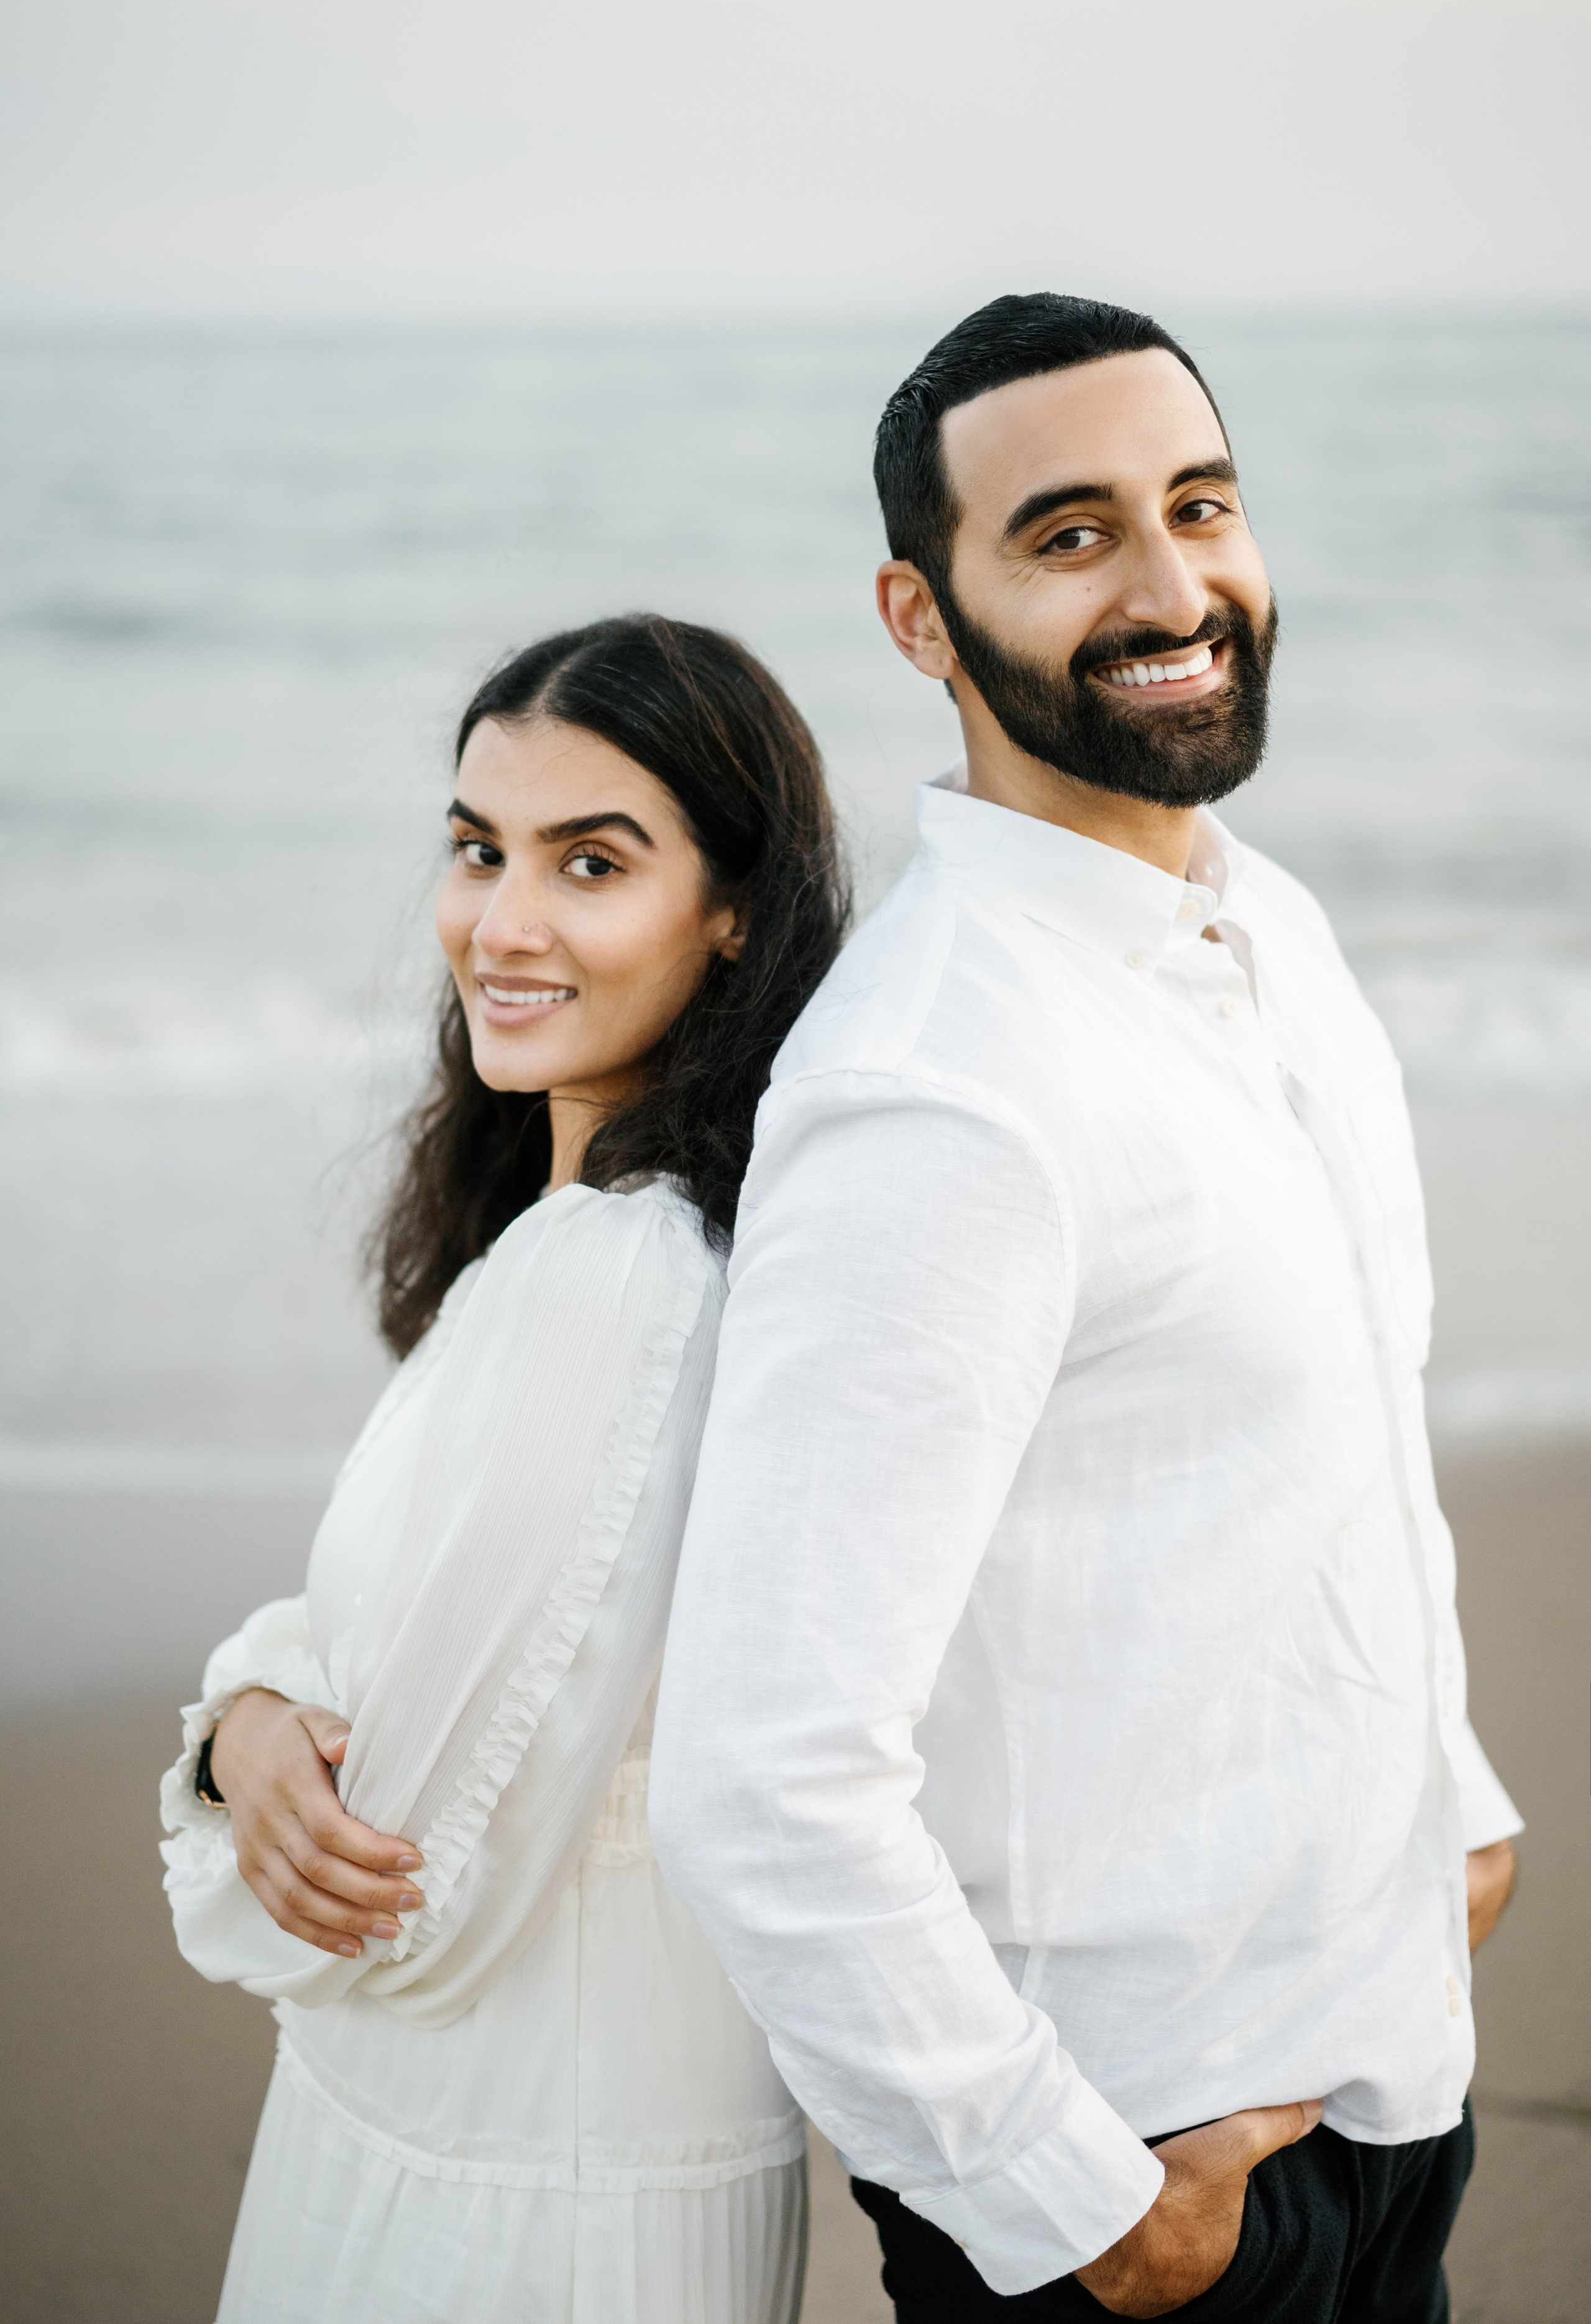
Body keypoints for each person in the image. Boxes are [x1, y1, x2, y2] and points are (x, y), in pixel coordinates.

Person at [649, 296, 1521, 2322]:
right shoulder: (941, 1086)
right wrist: (1077, 2201)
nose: (1170, 584)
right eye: (1067, 535)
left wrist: (1450, 1812)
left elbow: (1331, 1447)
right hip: (1149, 2173)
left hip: (1378, 2085)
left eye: (1199, 505)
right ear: (920, 614)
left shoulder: (1266, 924)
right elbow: (764, 1771)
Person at [159, 615, 848, 2324]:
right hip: (524, 2140)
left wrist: (250, 1735)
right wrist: (249, 1718)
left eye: (590, 862)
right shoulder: (593, 1238)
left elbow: (390, 1891)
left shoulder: (618, 1273)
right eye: (478, 849)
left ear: (736, 908)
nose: (502, 923)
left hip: (521, 2203)